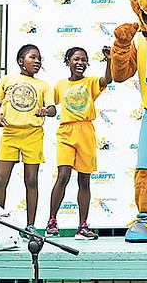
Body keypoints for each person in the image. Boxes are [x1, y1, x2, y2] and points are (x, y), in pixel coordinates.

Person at [45, 46, 112, 240]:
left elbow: (107, 79)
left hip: (85, 131)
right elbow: (51, 106)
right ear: (67, 62)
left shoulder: (91, 83)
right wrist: (41, 110)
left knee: (84, 180)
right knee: (63, 175)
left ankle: (83, 226)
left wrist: (109, 60)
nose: (80, 62)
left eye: (83, 59)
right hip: (66, 131)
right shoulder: (59, 85)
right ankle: (51, 222)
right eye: (76, 59)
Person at [0, 44, 56, 237]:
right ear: (21, 61)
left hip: (33, 135)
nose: (37, 61)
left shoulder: (43, 85)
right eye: (32, 57)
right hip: (10, 134)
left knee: (32, 180)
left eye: (39, 59)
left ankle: (31, 226)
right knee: (1, 180)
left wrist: (46, 110)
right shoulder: (8, 79)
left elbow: (52, 109)